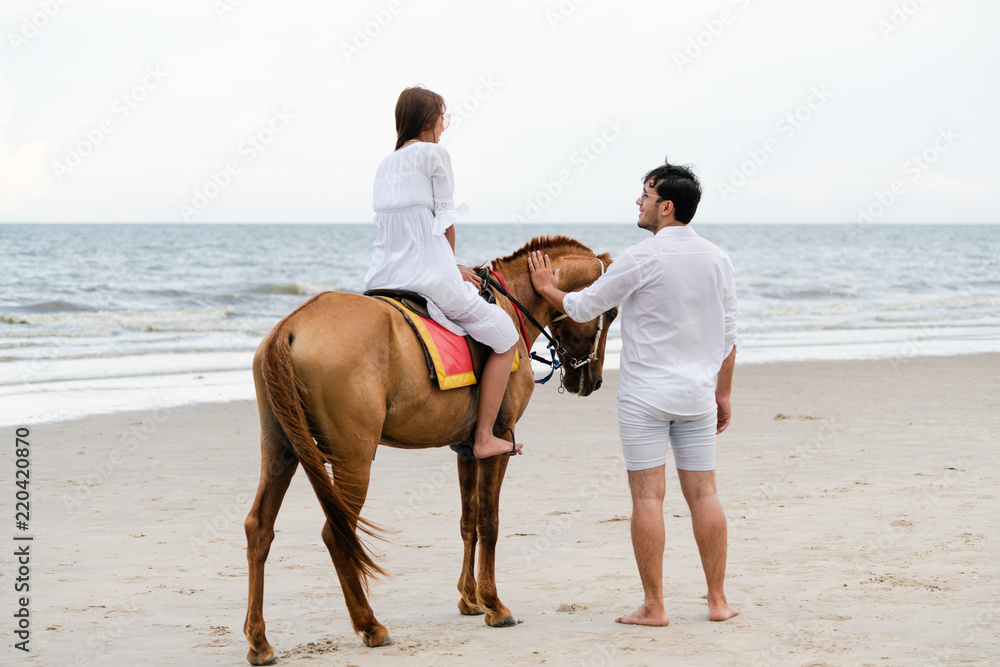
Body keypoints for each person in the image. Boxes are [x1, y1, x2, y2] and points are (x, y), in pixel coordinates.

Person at [528, 161, 740, 625]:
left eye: (645, 195)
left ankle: (655, 606)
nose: (638, 202)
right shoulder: (718, 259)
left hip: (646, 398)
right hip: (699, 397)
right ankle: (718, 602)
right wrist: (723, 395)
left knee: (648, 498)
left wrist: (545, 287)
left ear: (666, 207)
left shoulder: (641, 256)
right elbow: (728, 338)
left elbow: (585, 305)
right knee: (705, 495)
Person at [365, 86, 522, 458]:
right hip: (430, 279)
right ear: (428, 120)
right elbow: (444, 221)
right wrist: (450, 267)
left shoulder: (384, 164)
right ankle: (484, 436)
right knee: (505, 335)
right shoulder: (435, 154)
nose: (444, 126)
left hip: (382, 280)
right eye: (443, 117)